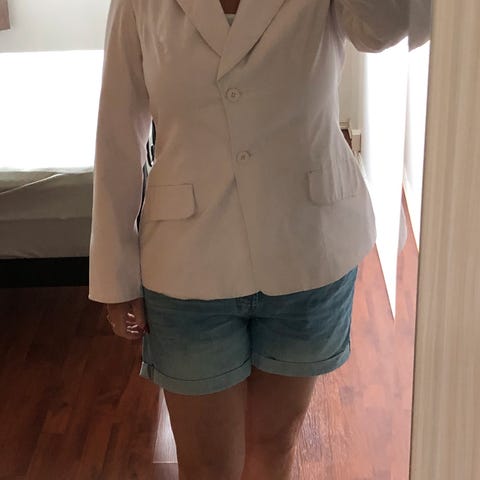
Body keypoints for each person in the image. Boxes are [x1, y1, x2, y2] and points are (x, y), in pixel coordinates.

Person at [88, 0, 409, 478]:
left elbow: (387, 27)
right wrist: (115, 275)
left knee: (274, 446)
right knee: (206, 466)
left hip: (307, 248)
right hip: (187, 264)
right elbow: (118, 129)